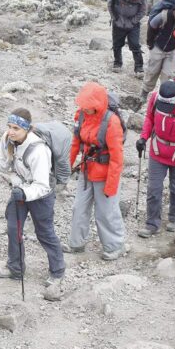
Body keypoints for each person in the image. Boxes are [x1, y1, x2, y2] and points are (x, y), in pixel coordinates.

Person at [0, 109, 66, 300]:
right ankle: (15, 267)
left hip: (40, 195)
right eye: (9, 126)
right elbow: (3, 162)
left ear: (26, 129)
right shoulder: (7, 139)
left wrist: (24, 192)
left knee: (44, 232)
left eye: (16, 128)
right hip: (19, 191)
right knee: (13, 228)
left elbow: (42, 185)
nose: (11, 131)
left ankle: (57, 272)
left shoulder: (39, 150)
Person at [65, 83, 126, 260]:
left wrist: (111, 186)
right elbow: (76, 143)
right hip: (86, 171)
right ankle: (76, 243)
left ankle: (115, 246)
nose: (85, 109)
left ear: (97, 104)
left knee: (106, 211)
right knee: (79, 208)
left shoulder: (112, 122)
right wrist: (66, 168)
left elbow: (117, 158)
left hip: (105, 175)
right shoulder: (82, 115)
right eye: (83, 106)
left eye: (88, 107)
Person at [136, 79, 175, 238]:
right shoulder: (156, 98)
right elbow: (149, 119)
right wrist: (143, 138)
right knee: (153, 189)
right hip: (158, 150)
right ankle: (152, 224)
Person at [144, 2, 175, 96]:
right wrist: (150, 43)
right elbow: (151, 27)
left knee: (168, 75)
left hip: (174, 50)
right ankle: (145, 92)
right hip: (158, 47)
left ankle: (164, 95)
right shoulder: (164, 16)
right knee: (152, 72)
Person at [108, 0, 148, 75]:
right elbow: (110, 4)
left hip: (133, 25)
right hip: (119, 23)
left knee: (135, 45)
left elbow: (143, 11)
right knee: (117, 44)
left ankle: (139, 68)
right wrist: (115, 18)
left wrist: (133, 21)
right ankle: (117, 63)